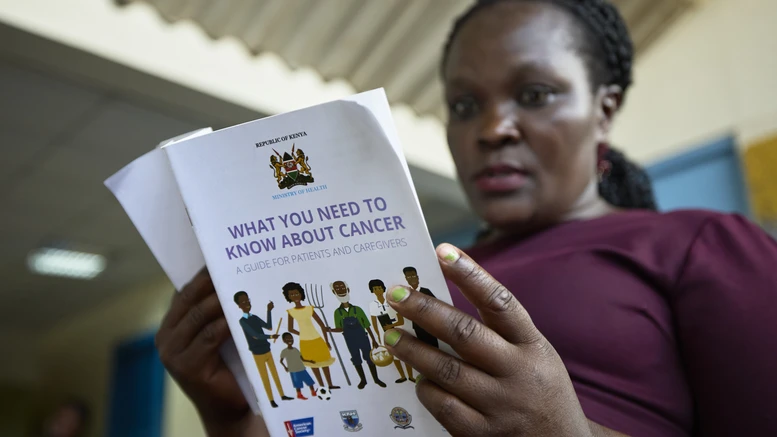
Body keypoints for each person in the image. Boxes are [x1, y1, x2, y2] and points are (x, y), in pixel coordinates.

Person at [155, 1, 777, 436]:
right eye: (464, 105)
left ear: (604, 111)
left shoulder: (700, 244)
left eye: (534, 95)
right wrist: (230, 415)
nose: (490, 129)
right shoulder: (412, 272)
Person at [233, 292, 291, 408]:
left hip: (266, 349)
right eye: (243, 302)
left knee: (275, 374)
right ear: (239, 306)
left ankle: (282, 395)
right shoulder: (243, 321)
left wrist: (268, 311)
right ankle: (271, 400)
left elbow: (268, 326)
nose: (247, 303)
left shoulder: (254, 317)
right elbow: (255, 335)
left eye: (247, 300)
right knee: (265, 377)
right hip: (257, 353)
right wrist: (270, 337)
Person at [328, 280, 387, 389]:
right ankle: (363, 380)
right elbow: (340, 328)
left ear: (348, 289)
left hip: (363, 338)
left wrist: (373, 340)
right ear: (334, 292)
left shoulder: (357, 310)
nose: (341, 290)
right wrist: (330, 330)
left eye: (342, 287)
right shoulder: (337, 313)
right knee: (356, 359)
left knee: (369, 358)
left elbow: (367, 326)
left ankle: (376, 379)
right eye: (337, 288)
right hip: (350, 340)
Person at [282, 282, 340, 390]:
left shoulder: (310, 309)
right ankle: (322, 386)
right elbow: (290, 329)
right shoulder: (291, 312)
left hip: (317, 339)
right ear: (288, 297)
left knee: (324, 362)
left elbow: (322, 326)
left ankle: (330, 384)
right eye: (291, 295)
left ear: (301, 293)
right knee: (313, 364)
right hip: (305, 342)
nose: (295, 296)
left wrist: (327, 341)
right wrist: (301, 334)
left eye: (296, 293)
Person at [368, 279, 416, 383]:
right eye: (375, 289)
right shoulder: (373, 304)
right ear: (372, 290)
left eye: (379, 288)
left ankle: (411, 376)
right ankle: (402, 376)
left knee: (404, 353)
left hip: (397, 328)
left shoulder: (390, 301)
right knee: (393, 355)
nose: (377, 290)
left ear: (383, 289)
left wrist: (392, 325)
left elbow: (401, 319)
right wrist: (377, 334)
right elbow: (374, 322)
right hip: (383, 331)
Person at [402, 267, 440, 348]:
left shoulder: (426, 291)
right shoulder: (407, 293)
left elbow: (435, 306)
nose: (411, 278)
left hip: (429, 324)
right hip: (417, 326)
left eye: (413, 275)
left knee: (434, 345)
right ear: (406, 279)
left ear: (417, 276)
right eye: (408, 277)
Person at [278, 332, 318, 400]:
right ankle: (299, 394)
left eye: (291, 338)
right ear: (284, 341)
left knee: (309, 381)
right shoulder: (284, 351)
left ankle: (313, 392)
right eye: (287, 339)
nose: (290, 340)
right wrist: (285, 367)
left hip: (301, 368)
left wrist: (310, 361)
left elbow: (302, 359)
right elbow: (281, 361)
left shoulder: (296, 350)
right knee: (298, 384)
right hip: (294, 370)